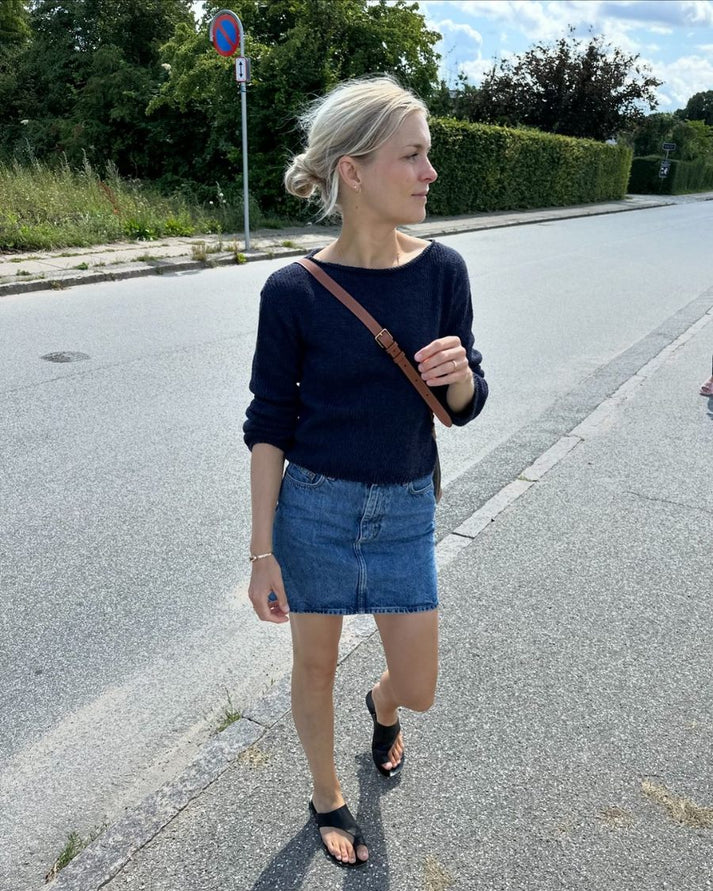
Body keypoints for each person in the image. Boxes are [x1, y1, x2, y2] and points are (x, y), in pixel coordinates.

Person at [243, 75, 488, 867]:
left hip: (404, 509)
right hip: (313, 509)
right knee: (312, 664)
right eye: (411, 155)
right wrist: (261, 551)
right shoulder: (292, 291)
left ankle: (381, 704)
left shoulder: (442, 271)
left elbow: (463, 404)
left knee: (419, 685)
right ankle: (326, 795)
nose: (429, 172)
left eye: (427, 154)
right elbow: (268, 426)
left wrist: (460, 377)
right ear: (352, 170)